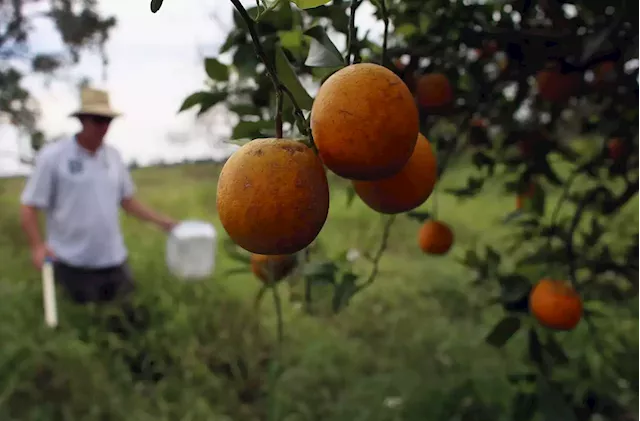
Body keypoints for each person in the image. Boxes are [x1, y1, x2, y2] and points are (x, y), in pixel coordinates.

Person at [19, 86, 177, 303]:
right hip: (73, 262)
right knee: (86, 326)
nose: (103, 127)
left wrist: (163, 222)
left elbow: (127, 201)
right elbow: (29, 205)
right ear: (83, 120)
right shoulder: (54, 157)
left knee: (128, 318)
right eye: (97, 120)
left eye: (107, 120)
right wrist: (37, 246)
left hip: (113, 259)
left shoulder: (113, 157)